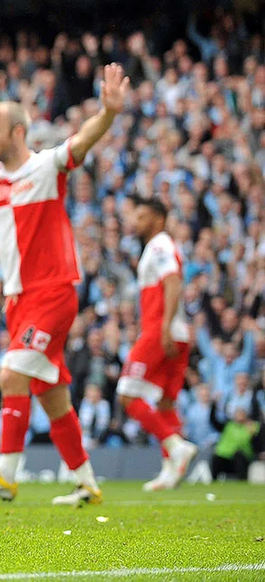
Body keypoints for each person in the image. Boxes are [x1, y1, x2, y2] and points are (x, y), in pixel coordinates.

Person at [0, 63, 131, 507]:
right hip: (18, 301)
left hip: (52, 293)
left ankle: (5, 475)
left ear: (18, 133)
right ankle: (88, 484)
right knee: (51, 395)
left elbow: (83, 139)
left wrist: (109, 114)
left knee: (11, 375)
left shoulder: (47, 167)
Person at [116, 196, 199, 491]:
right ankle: (169, 470)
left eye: (141, 217)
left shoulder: (160, 244)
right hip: (173, 331)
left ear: (158, 219)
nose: (135, 222)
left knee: (127, 394)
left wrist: (162, 327)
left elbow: (173, 280)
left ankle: (176, 447)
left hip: (161, 330)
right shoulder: (157, 247)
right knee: (165, 402)